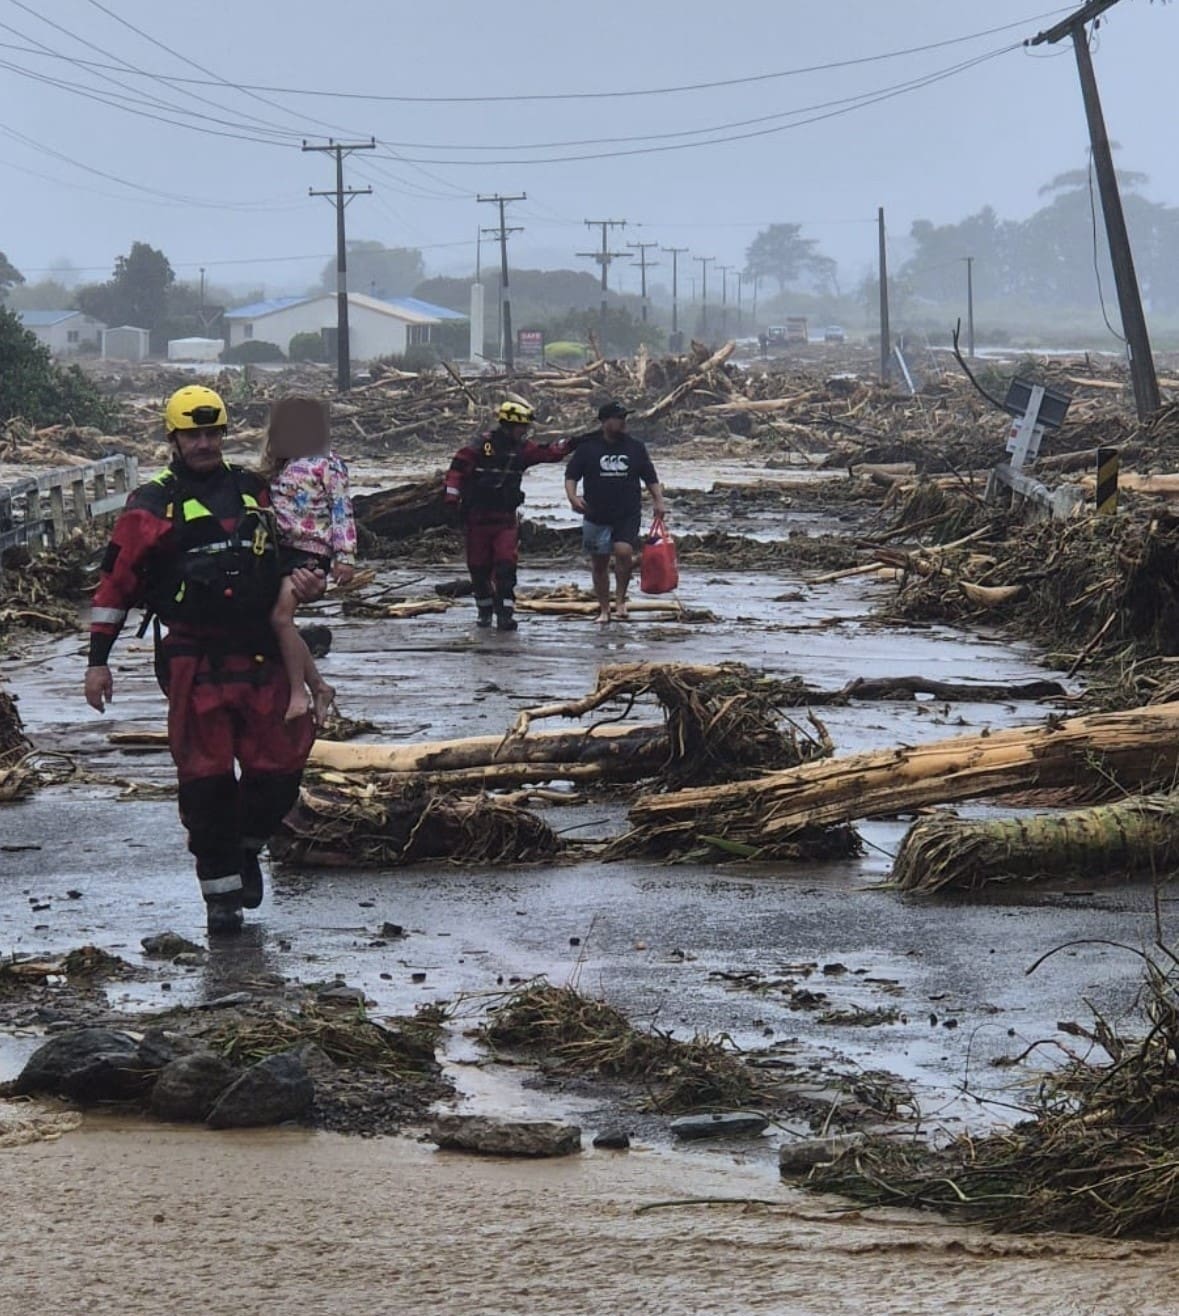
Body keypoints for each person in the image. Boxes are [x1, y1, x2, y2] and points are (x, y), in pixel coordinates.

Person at [83, 385, 323, 937]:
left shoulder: (255, 491)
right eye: (194, 434)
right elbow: (115, 584)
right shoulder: (150, 505)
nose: (205, 443)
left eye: (213, 432)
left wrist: (309, 577)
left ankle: (247, 848)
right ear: (173, 438)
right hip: (193, 659)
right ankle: (222, 903)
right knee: (206, 781)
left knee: (282, 767)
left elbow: (294, 550)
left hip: (261, 652)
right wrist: (99, 661)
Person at [444, 400, 585, 631]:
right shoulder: (479, 446)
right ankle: (484, 611)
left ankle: (505, 613)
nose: (525, 431)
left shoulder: (523, 449)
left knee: (505, 565)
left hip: (505, 520)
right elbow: (456, 472)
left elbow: (548, 452)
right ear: (509, 425)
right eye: (522, 427)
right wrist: (451, 499)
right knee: (478, 567)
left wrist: (574, 443)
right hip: (477, 519)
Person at [260, 395, 356, 723]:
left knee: (280, 618)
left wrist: (345, 556)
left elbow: (342, 509)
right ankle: (318, 685)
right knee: (279, 621)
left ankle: (299, 692)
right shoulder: (283, 464)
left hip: (312, 551)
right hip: (282, 550)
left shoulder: (328, 463)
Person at [564, 401, 666, 624]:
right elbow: (571, 475)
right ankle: (603, 609)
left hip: (627, 511)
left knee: (623, 552)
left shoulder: (635, 447)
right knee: (599, 563)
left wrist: (658, 500)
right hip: (595, 512)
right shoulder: (588, 448)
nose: (623, 422)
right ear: (605, 421)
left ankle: (620, 601)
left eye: (624, 418)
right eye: (619, 418)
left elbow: (650, 476)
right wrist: (572, 497)